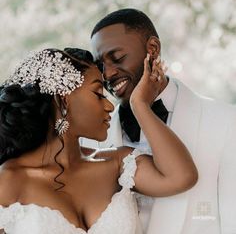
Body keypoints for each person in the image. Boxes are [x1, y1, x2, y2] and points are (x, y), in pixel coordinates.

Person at [0, 48, 197, 234]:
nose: (109, 107)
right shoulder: (8, 181)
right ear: (63, 98)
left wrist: (140, 105)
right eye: (98, 94)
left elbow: (182, 177)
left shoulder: (119, 163)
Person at [81, 8, 236, 234]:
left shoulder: (226, 122)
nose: (108, 74)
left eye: (117, 58)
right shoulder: (91, 138)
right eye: (101, 66)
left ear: (152, 49)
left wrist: (140, 106)